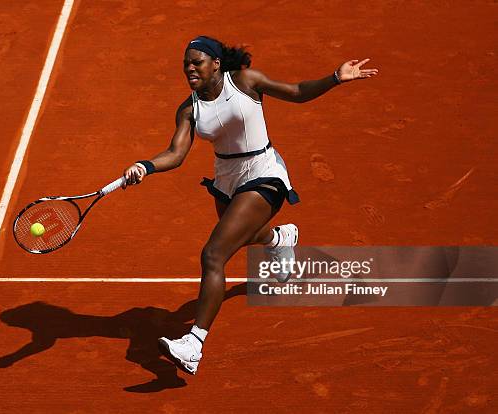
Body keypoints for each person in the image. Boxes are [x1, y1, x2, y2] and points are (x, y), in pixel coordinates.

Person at [121, 36, 378, 375]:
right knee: (242, 236)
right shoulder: (189, 108)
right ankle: (278, 240)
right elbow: (176, 153)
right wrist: (145, 165)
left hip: (263, 172)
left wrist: (334, 77)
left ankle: (194, 344)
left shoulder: (245, 82)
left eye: (196, 62)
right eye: (186, 63)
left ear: (215, 63)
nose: (190, 68)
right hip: (226, 179)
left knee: (214, 254)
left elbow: (297, 92)